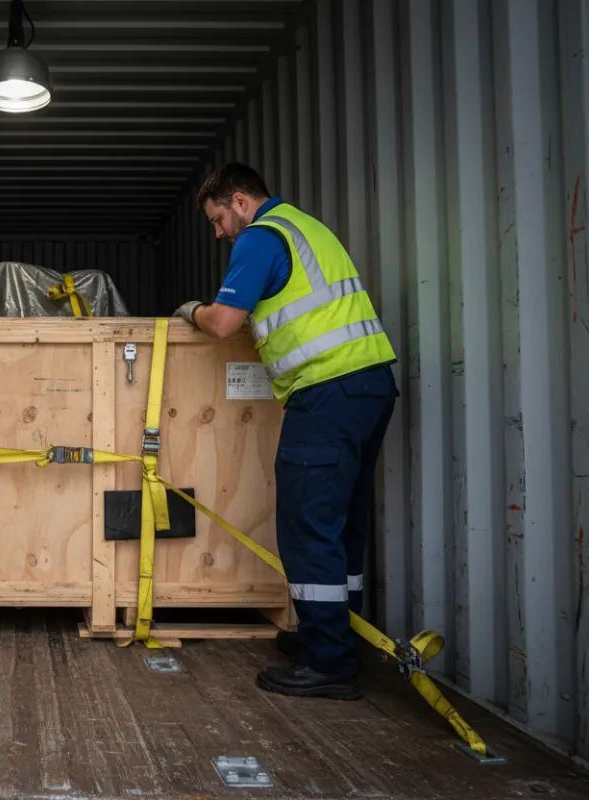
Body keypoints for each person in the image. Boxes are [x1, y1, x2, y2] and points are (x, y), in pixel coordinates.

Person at [176, 163, 398, 701]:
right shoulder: (308, 228)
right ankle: (336, 640)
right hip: (370, 386)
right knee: (342, 526)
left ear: (239, 201)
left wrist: (192, 311)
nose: (219, 232)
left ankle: (328, 664)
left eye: (218, 219)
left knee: (307, 525)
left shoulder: (261, 237)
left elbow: (226, 322)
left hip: (326, 392)